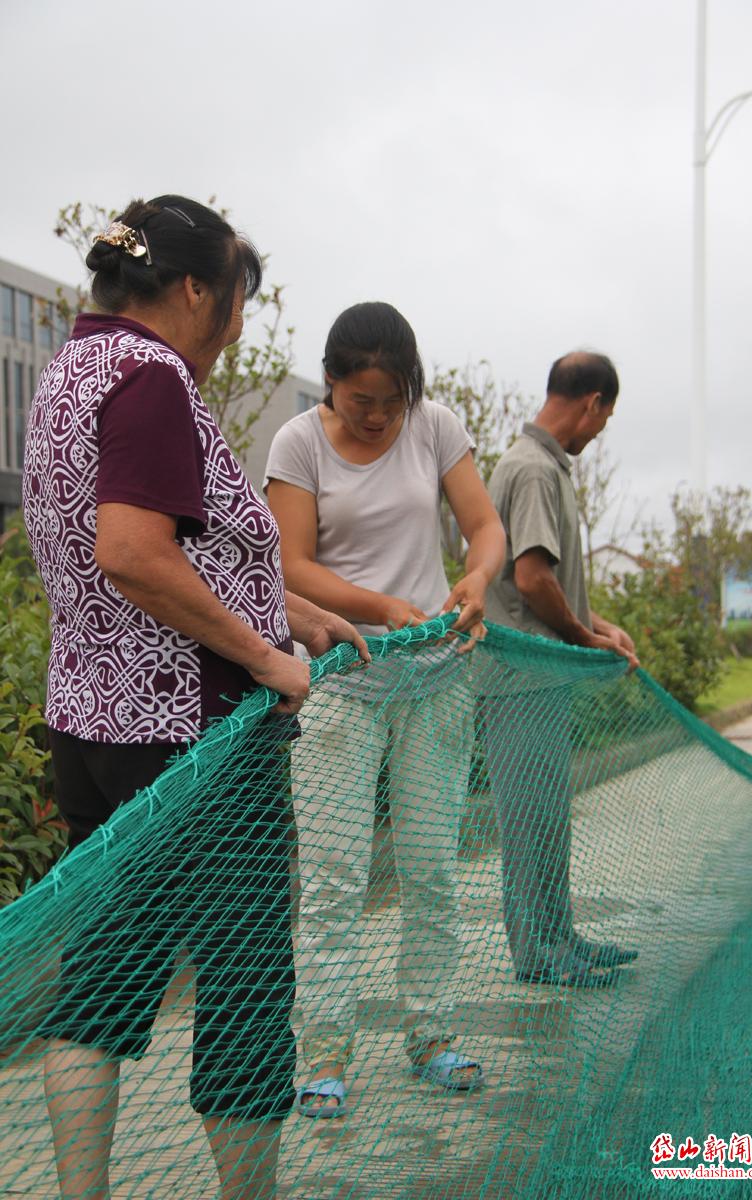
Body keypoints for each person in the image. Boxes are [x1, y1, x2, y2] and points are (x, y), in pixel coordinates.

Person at [22, 195, 367, 1200]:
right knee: (245, 986)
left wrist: (287, 607)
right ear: (193, 291)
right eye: (237, 307)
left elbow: (181, 550)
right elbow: (132, 552)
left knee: (103, 978)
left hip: (93, 727)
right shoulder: (152, 379)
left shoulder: (72, 370)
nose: (235, 332)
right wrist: (263, 660)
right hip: (194, 744)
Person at [265, 301, 506, 1117]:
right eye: (360, 400)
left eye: (391, 403)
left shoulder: (435, 425)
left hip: (436, 677)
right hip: (340, 681)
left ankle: (431, 1032)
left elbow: (483, 526)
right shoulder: (297, 443)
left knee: (432, 868)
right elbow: (290, 566)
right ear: (329, 382)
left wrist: (476, 579)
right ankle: (325, 1048)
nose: (376, 418)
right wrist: (377, 605)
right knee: (333, 878)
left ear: (413, 392)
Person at [484, 351, 639, 988]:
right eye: (606, 415)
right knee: (528, 819)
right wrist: (582, 638)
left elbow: (550, 582)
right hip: (520, 679)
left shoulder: (546, 466)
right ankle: (541, 954)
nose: (601, 429)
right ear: (592, 403)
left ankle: (561, 937)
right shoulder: (532, 469)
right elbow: (531, 577)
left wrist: (598, 626)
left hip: (539, 678)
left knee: (547, 816)